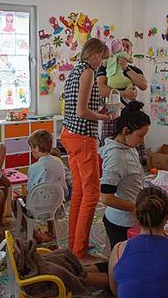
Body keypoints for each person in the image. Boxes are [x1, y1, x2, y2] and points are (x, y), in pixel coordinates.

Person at [60, 37, 113, 262]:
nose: (102, 62)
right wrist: (106, 116)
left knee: (80, 193)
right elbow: (82, 111)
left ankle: (75, 245)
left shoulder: (75, 71)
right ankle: (79, 250)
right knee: (91, 193)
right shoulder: (88, 72)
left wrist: (97, 109)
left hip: (70, 135)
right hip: (82, 137)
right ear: (94, 53)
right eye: (101, 56)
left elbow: (77, 107)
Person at [99, 101, 151, 249]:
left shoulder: (128, 147)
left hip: (131, 217)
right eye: (140, 136)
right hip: (121, 223)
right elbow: (106, 197)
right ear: (126, 131)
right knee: (122, 263)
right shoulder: (116, 157)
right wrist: (139, 207)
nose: (142, 141)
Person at [96, 38, 148, 148]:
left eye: (127, 46)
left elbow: (143, 85)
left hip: (131, 115)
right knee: (110, 146)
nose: (124, 48)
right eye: (121, 45)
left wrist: (126, 67)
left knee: (134, 146)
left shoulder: (134, 70)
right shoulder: (106, 66)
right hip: (111, 114)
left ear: (131, 52)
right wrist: (123, 94)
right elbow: (101, 89)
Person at [26, 129, 69, 196]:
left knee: (15, 202)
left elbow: (30, 190)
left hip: (38, 203)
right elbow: (65, 190)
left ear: (36, 148)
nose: (31, 151)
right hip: (57, 202)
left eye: (31, 148)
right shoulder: (59, 163)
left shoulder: (33, 168)